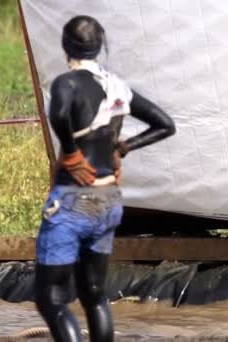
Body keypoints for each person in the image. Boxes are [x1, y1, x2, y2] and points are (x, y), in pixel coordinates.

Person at [35, 15, 176, 342]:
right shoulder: (117, 87)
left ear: (65, 46)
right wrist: (124, 147)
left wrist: (70, 151)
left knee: (51, 298)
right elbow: (165, 123)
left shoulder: (65, 84)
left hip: (73, 199)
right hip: (108, 200)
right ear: (99, 47)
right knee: (95, 294)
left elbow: (58, 112)